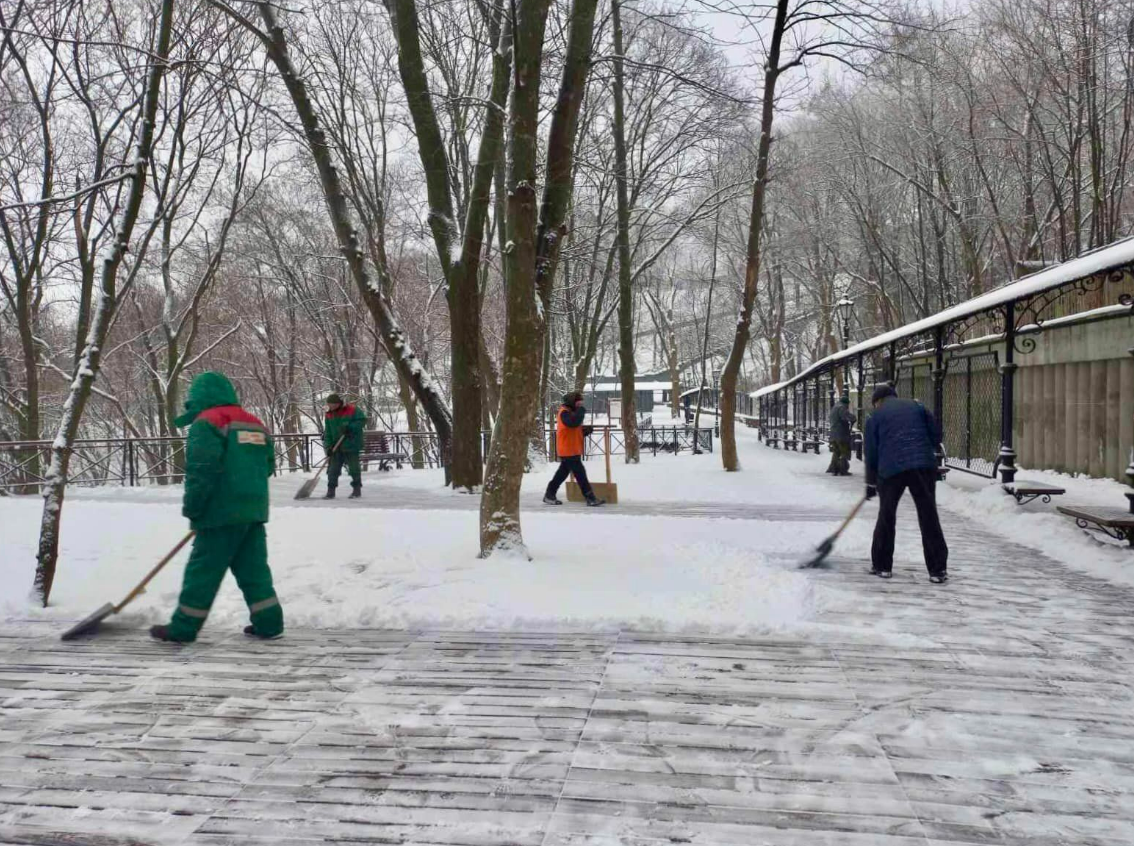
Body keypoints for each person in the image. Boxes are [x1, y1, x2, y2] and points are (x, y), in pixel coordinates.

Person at [151, 372, 283, 643]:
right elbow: (268, 465)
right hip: (254, 511)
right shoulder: (255, 423)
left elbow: (201, 470)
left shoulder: (207, 423)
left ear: (200, 397)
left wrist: (194, 507)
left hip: (219, 512)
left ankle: (183, 628)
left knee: (202, 572)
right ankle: (269, 623)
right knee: (254, 570)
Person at [864, 383, 949, 584]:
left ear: (877, 401)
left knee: (886, 514)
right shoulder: (917, 406)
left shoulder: (874, 416)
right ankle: (937, 570)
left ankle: (882, 565)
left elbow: (871, 452)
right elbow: (936, 434)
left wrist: (871, 483)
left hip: (891, 469)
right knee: (928, 515)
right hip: (923, 466)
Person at [544, 392, 605, 507]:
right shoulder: (564, 413)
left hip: (571, 449)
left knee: (562, 474)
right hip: (568, 450)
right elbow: (572, 423)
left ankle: (549, 494)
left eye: (581, 402)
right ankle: (590, 498)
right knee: (580, 474)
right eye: (578, 402)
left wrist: (584, 431)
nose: (580, 405)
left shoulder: (571, 413)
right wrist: (581, 411)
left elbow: (573, 430)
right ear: (572, 402)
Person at [323, 393, 367, 499]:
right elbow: (327, 432)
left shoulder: (352, 410)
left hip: (351, 444)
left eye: (333, 404)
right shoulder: (329, 414)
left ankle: (357, 490)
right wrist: (328, 446)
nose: (331, 406)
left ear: (338, 403)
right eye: (329, 404)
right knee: (333, 469)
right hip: (336, 446)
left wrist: (350, 427)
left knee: (353, 468)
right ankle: (330, 491)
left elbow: (362, 420)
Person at [827, 395, 855, 476]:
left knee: (837, 451)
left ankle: (834, 468)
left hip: (834, 434)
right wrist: (853, 417)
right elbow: (845, 416)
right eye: (848, 404)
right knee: (844, 451)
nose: (847, 406)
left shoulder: (835, 407)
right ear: (846, 403)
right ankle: (842, 469)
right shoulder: (841, 407)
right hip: (841, 434)